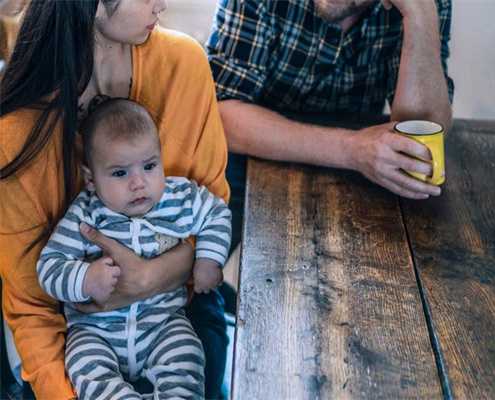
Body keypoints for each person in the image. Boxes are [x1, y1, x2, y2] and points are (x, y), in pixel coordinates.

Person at [0, 1, 230, 398]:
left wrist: (147, 278)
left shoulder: (185, 66)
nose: (162, 4)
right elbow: (33, 307)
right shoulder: (14, 137)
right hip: (77, 333)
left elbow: (211, 216)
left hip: (176, 309)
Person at [207, 0, 454, 248]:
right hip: (253, 159)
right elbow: (221, 116)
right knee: (208, 256)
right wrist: (352, 149)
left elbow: (422, 135)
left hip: (362, 176)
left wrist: (421, 15)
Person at [36, 98, 232, 399]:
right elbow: (49, 266)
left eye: (150, 166)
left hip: (162, 323)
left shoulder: (178, 197)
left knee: (188, 360)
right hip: (96, 332)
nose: (139, 183)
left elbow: (216, 214)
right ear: (91, 179)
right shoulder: (86, 216)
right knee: (86, 369)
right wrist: (85, 279)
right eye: (120, 173)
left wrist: (208, 259)